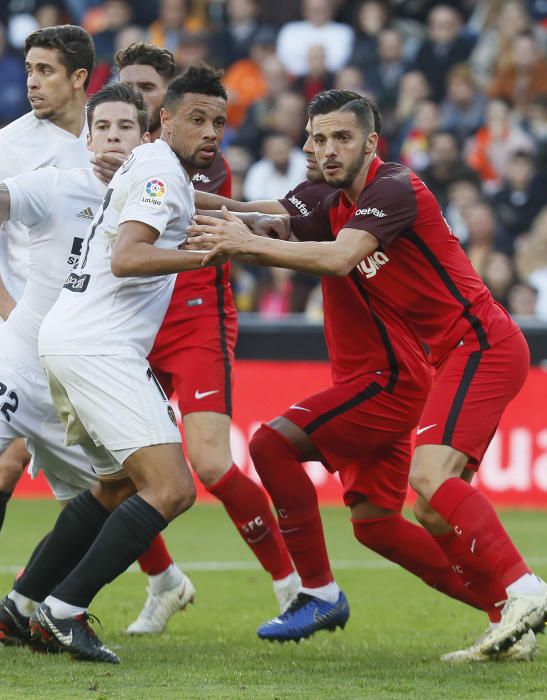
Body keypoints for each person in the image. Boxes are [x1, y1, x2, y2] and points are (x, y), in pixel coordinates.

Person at [187, 90, 547, 660]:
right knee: (423, 507)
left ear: (371, 143)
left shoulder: (395, 187)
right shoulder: (328, 198)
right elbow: (262, 213)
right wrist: (166, 197)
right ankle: (508, 623)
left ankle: (523, 587)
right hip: (449, 357)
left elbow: (339, 257)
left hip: (480, 343)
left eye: (342, 138)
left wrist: (245, 243)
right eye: (318, 138)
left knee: (430, 478)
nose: (328, 149)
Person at [1, 64, 228, 665]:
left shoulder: (151, 167)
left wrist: (251, 214)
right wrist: (207, 254)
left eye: (220, 123)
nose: (210, 132)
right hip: (99, 347)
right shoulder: (156, 167)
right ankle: (64, 611)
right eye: (197, 119)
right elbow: (129, 258)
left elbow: (183, 199)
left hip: (68, 340)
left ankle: (20, 607)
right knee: (173, 489)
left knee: (116, 486)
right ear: (166, 121)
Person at [116, 42, 298, 634]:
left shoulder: (193, 152)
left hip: (194, 315)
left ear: (167, 101)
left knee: (212, 463)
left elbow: (189, 215)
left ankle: (293, 586)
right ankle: (164, 581)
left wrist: (243, 211)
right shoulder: (116, 147)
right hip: (134, 321)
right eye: (126, 88)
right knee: (114, 472)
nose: (133, 99)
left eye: (145, 89)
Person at [0, 24, 119, 539]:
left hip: (81, 339)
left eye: (45, 71)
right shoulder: (11, 145)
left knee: (105, 488)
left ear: (79, 78)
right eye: (29, 70)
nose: (32, 82)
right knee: (5, 464)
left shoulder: (113, 137)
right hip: (18, 330)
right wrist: (7, 308)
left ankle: (162, 581)